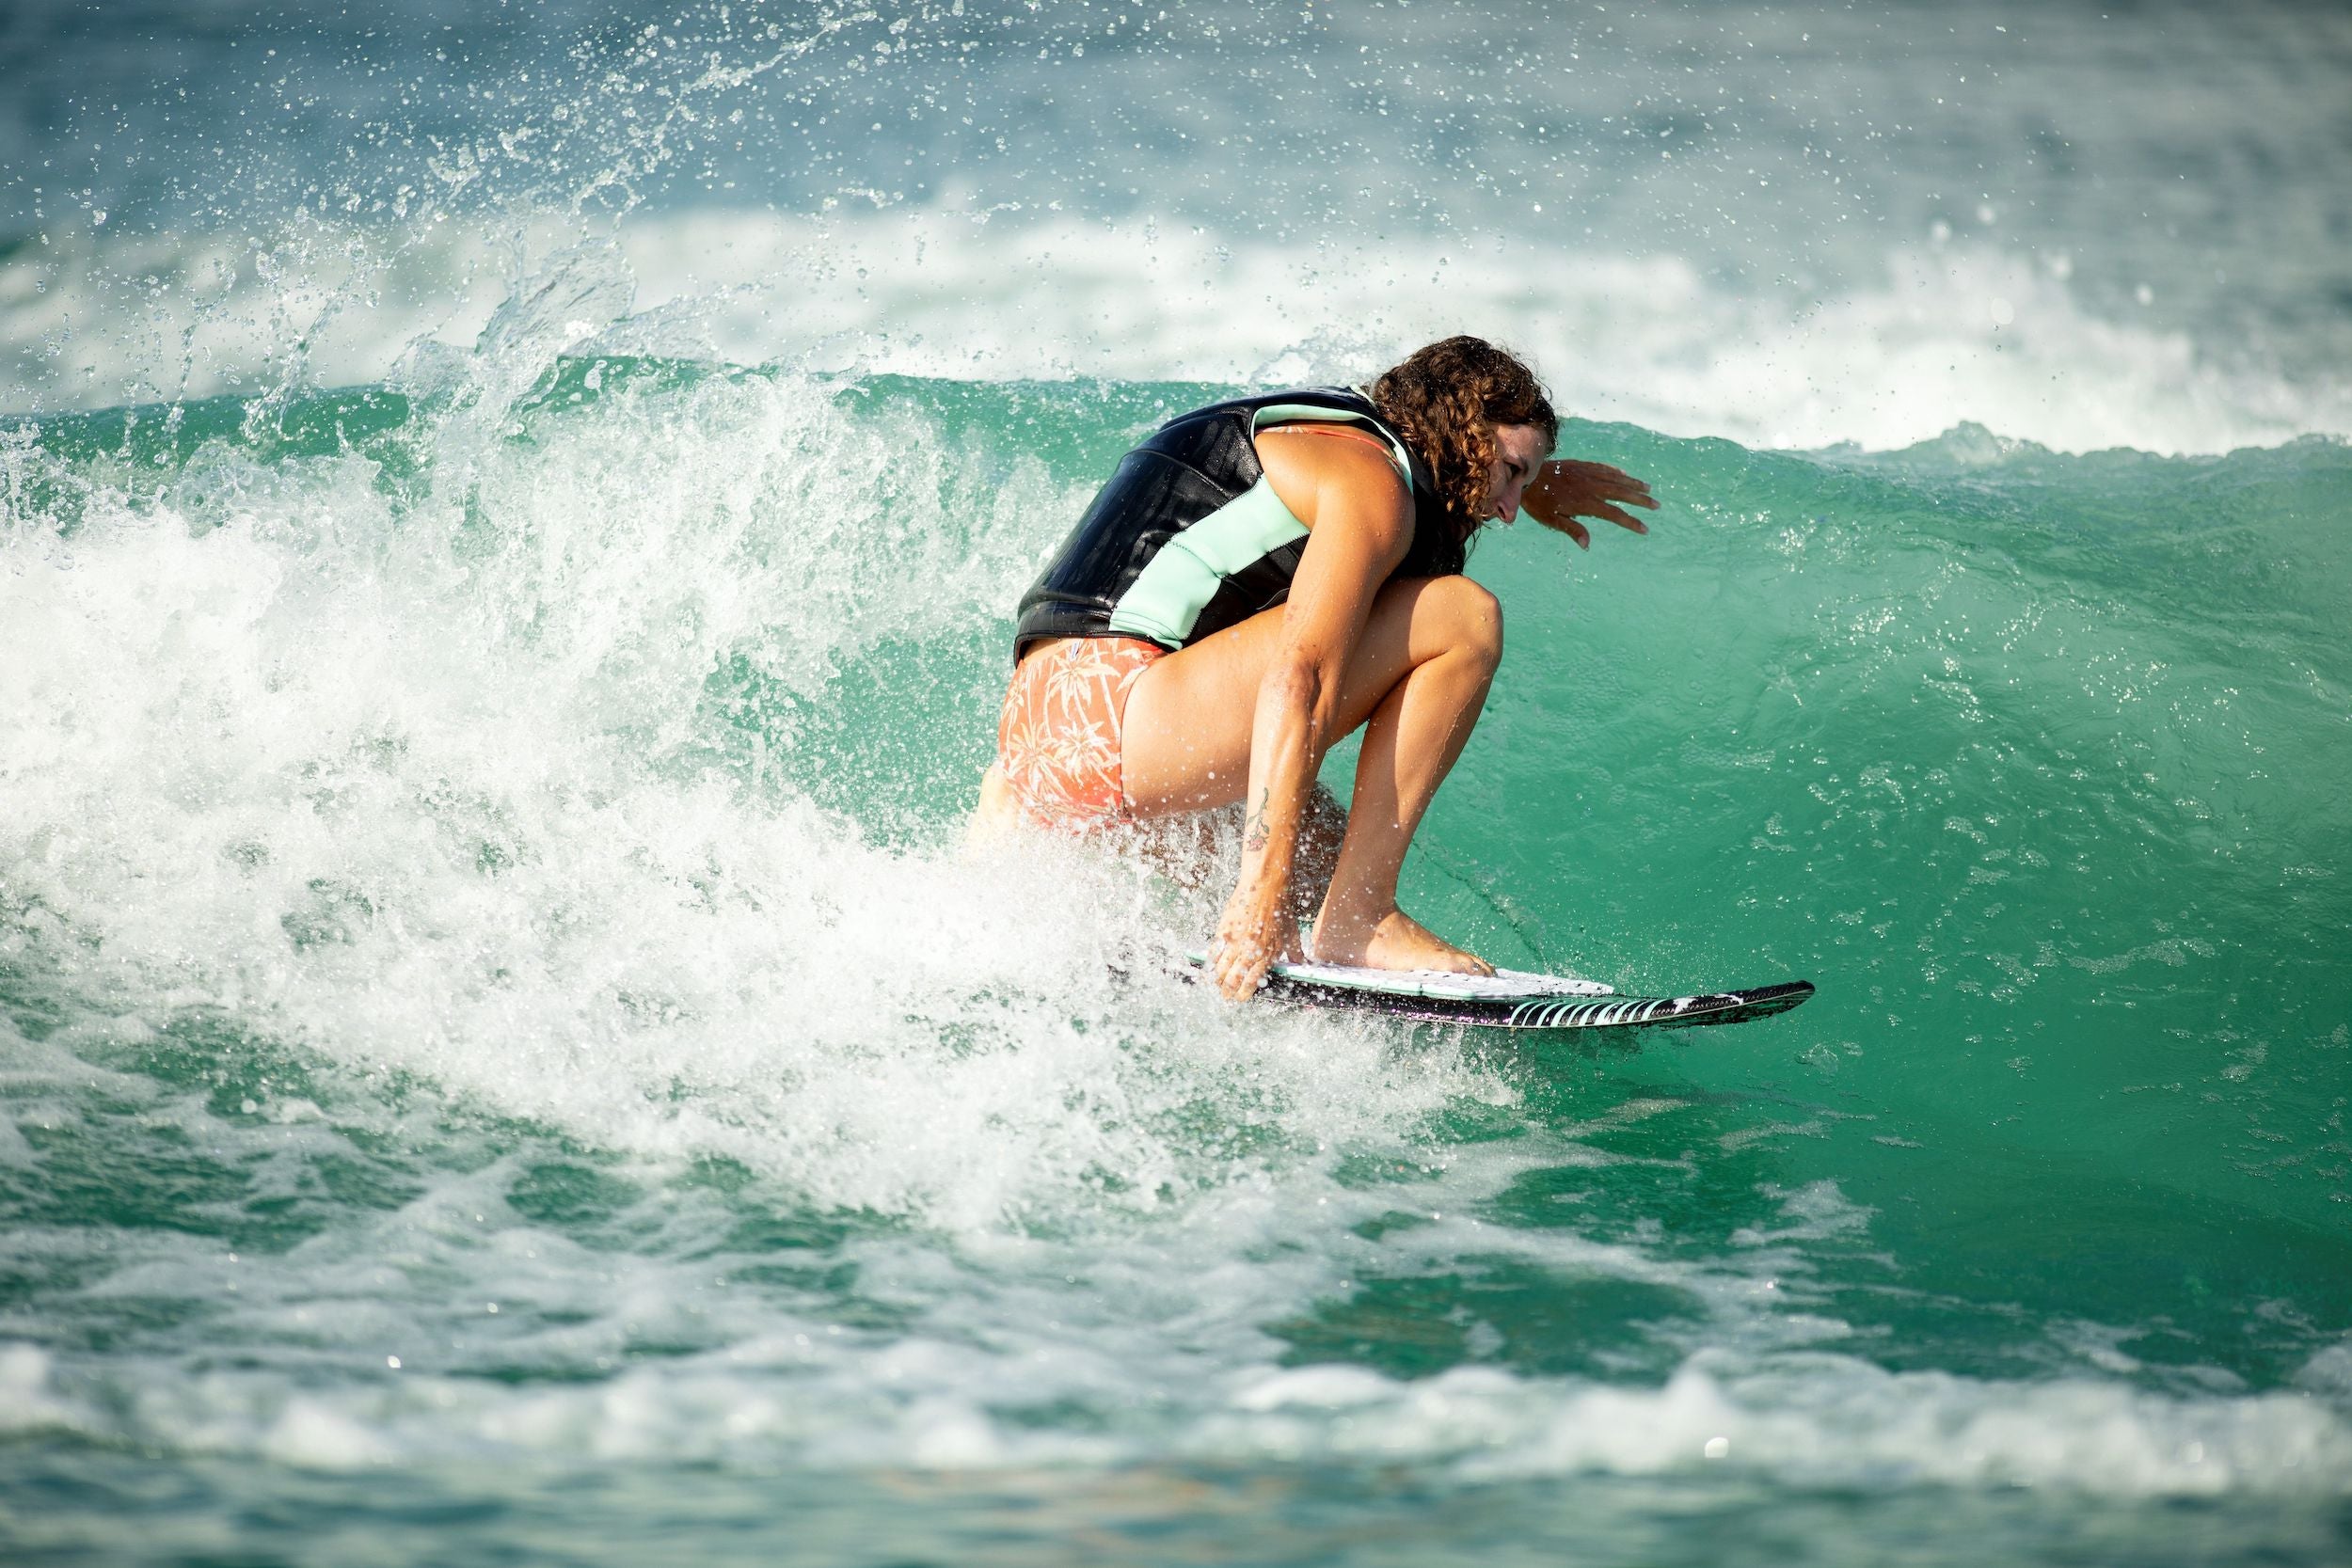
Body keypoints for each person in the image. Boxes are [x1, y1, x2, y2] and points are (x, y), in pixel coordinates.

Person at [972, 336, 1656, 999]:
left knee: (1325, 861)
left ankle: (1292, 928)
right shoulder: (1373, 487)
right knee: (1463, 617)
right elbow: (1302, 680)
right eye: (1511, 472)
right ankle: (1359, 921)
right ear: (1463, 431)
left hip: (1044, 739)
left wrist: (1534, 483)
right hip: (1124, 712)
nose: (1507, 511)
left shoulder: (1319, 433)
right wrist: (1258, 894)